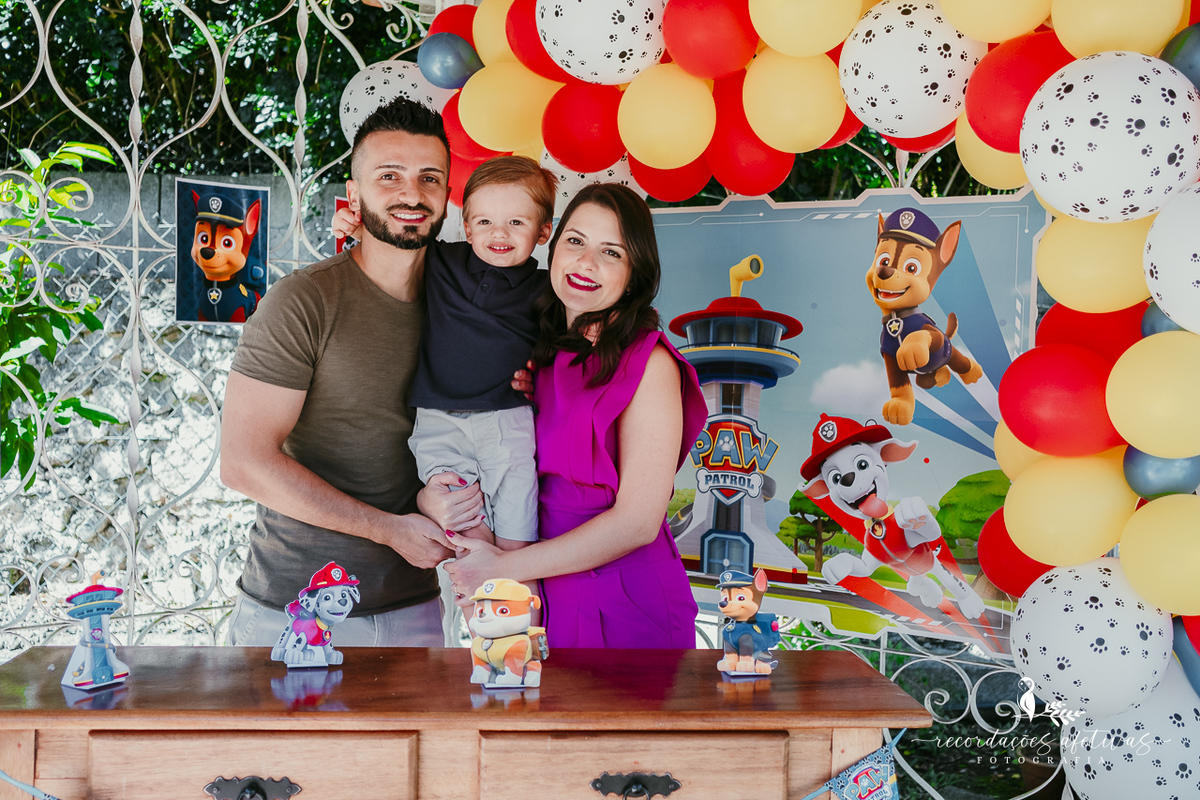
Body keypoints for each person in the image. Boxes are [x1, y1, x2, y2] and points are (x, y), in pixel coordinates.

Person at [220, 97, 487, 647]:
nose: (412, 194)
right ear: (354, 191)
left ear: (446, 195)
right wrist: (389, 531)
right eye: (388, 176)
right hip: (295, 609)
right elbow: (244, 463)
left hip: (415, 608)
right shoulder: (304, 301)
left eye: (429, 178)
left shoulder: (468, 300)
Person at [444, 183, 707, 649]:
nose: (586, 263)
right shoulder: (541, 356)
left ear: (635, 272)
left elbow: (638, 522)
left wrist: (504, 569)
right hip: (542, 590)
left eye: (611, 252)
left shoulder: (651, 365)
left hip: (627, 601)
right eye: (576, 241)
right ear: (553, 243)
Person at [334, 156, 558, 550]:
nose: (499, 233)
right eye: (485, 221)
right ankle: (478, 608)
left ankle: (521, 605)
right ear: (467, 228)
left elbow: (566, 351)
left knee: (515, 531)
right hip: (440, 421)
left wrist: (540, 375)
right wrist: (352, 229)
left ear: (543, 232)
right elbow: (388, 247)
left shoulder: (548, 290)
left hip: (507, 420)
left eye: (517, 223)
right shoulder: (439, 260)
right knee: (465, 524)